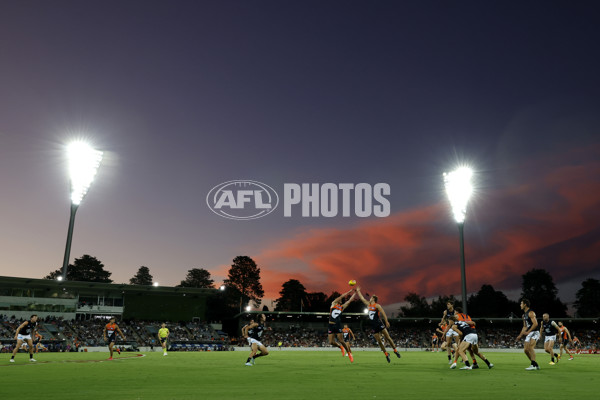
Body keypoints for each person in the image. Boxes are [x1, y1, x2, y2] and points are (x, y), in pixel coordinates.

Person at [356, 287, 401, 363]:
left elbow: (383, 313)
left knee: (388, 338)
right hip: (373, 326)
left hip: (379, 323)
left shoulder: (377, 306)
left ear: (373, 299)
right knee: (379, 342)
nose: (370, 298)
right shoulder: (368, 305)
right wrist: (358, 291)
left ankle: (395, 351)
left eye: (371, 298)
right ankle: (386, 354)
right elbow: (362, 299)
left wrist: (386, 321)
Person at [328, 289, 356, 363]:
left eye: (341, 299)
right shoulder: (333, 303)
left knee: (341, 340)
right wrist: (349, 291)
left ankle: (349, 354)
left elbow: (349, 301)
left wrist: (355, 293)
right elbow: (341, 296)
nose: (341, 300)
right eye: (340, 299)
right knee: (331, 342)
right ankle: (340, 347)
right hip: (331, 324)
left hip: (337, 325)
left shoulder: (342, 307)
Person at [516, 298, 540, 370]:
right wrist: (520, 335)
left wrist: (528, 331)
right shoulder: (523, 315)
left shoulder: (531, 312)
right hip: (529, 332)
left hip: (535, 332)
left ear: (525, 304)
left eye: (521, 303)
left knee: (530, 347)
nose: (520, 305)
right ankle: (535, 364)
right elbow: (525, 326)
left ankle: (533, 365)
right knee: (526, 350)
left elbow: (535, 324)